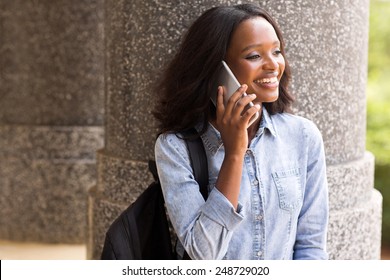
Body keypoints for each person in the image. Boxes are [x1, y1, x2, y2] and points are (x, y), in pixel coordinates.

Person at [152, 3, 329, 260]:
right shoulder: (174, 147)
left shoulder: (302, 136)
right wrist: (234, 153)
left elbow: (311, 246)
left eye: (277, 51)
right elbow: (204, 254)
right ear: (216, 70)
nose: (273, 65)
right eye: (254, 56)